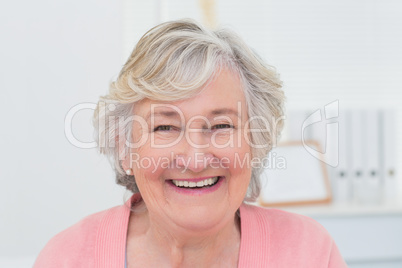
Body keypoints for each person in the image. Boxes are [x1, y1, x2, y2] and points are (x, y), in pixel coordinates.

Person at [34, 19, 347, 267]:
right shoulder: (67, 258)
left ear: (254, 142)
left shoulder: (310, 253)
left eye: (221, 125)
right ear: (125, 148)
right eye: (165, 127)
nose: (195, 159)